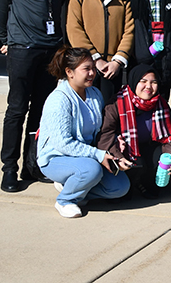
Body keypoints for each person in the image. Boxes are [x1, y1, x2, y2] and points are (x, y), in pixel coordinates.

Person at [0, 0, 74, 192]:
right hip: (23, 48)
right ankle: (9, 169)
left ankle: (33, 165)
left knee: (41, 111)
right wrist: (6, 39)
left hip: (51, 51)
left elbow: (63, 8)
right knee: (17, 109)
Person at [37, 47, 131, 218]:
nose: (92, 73)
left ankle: (76, 189)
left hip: (87, 157)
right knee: (91, 170)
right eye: (86, 69)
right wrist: (98, 154)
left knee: (120, 187)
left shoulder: (94, 93)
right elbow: (62, 143)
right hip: (56, 157)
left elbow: (103, 129)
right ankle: (65, 200)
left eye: (93, 68)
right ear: (69, 72)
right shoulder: (59, 100)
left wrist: (116, 143)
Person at [98, 64, 171, 199]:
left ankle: (146, 184)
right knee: (121, 198)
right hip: (124, 149)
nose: (148, 86)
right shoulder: (117, 104)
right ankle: (130, 183)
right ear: (133, 82)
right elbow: (105, 135)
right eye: (143, 81)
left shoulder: (161, 103)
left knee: (155, 188)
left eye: (153, 82)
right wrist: (118, 157)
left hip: (150, 146)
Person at [66, 0, 134, 104]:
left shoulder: (122, 0)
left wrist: (117, 61)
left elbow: (129, 32)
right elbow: (74, 29)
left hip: (112, 68)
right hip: (86, 65)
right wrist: (95, 59)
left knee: (110, 111)